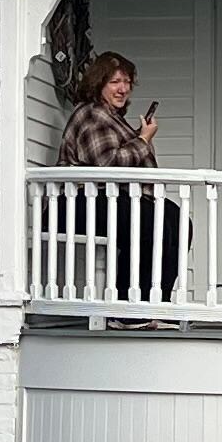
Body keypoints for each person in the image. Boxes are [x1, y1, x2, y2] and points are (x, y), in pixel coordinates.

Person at [57, 50, 182, 306]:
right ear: (98, 84)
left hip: (110, 199)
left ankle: (156, 303)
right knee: (146, 221)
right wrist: (143, 140)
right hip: (79, 202)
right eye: (115, 82)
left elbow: (121, 156)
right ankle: (127, 307)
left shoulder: (114, 119)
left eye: (127, 82)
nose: (123, 89)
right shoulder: (92, 114)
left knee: (176, 219)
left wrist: (139, 137)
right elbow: (109, 163)